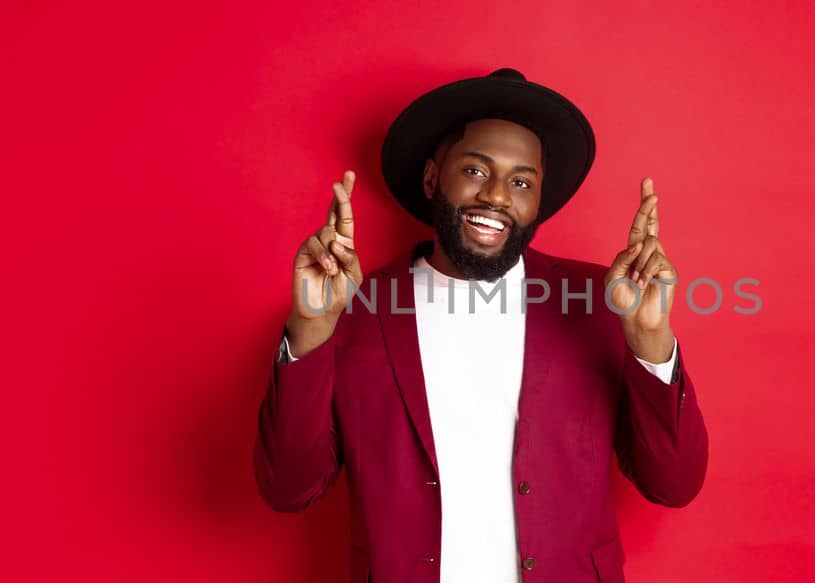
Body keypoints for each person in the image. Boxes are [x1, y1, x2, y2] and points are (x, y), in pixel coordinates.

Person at [254, 68, 708, 583]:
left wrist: (650, 340)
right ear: (432, 178)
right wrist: (311, 328)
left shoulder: (601, 301)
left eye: (521, 182)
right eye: (475, 170)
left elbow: (673, 484)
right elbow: (287, 488)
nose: (497, 196)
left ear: (538, 201)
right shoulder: (354, 307)